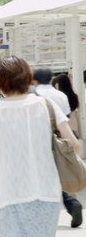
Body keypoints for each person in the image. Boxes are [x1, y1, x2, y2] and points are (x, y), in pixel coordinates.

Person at [0, 56, 81, 236]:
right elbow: (74, 145)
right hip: (48, 193)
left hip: (12, 194)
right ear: (27, 78)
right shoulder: (46, 105)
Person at [32, 67, 83, 228]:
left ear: (34, 80)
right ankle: (71, 201)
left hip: (39, 140)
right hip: (61, 138)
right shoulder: (60, 95)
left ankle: (44, 212)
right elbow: (67, 118)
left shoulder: (34, 96)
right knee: (60, 173)